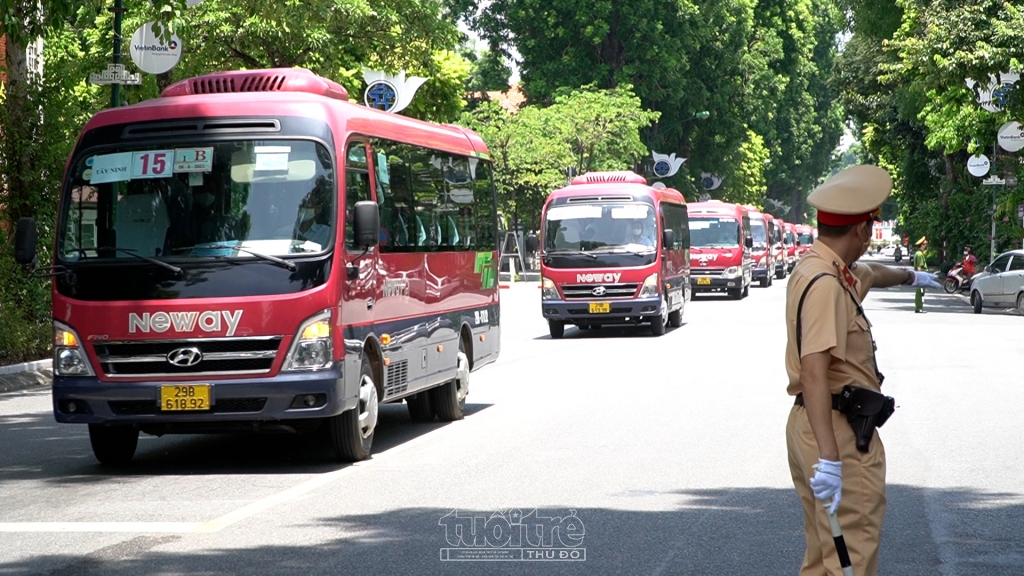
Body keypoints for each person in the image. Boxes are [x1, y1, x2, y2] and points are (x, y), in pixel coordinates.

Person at [785, 165, 940, 576]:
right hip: (834, 429)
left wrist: (913, 275)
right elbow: (815, 371)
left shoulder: (821, 268)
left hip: (813, 423)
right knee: (849, 556)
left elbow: (870, 274)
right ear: (862, 231)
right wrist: (831, 460)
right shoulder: (825, 285)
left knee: (823, 558)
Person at [914, 237, 928, 313]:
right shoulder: (919, 255)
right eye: (924, 244)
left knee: (920, 292)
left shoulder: (918, 253)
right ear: (921, 245)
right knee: (920, 292)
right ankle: (919, 307)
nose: (925, 245)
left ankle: (919, 307)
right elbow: (919, 267)